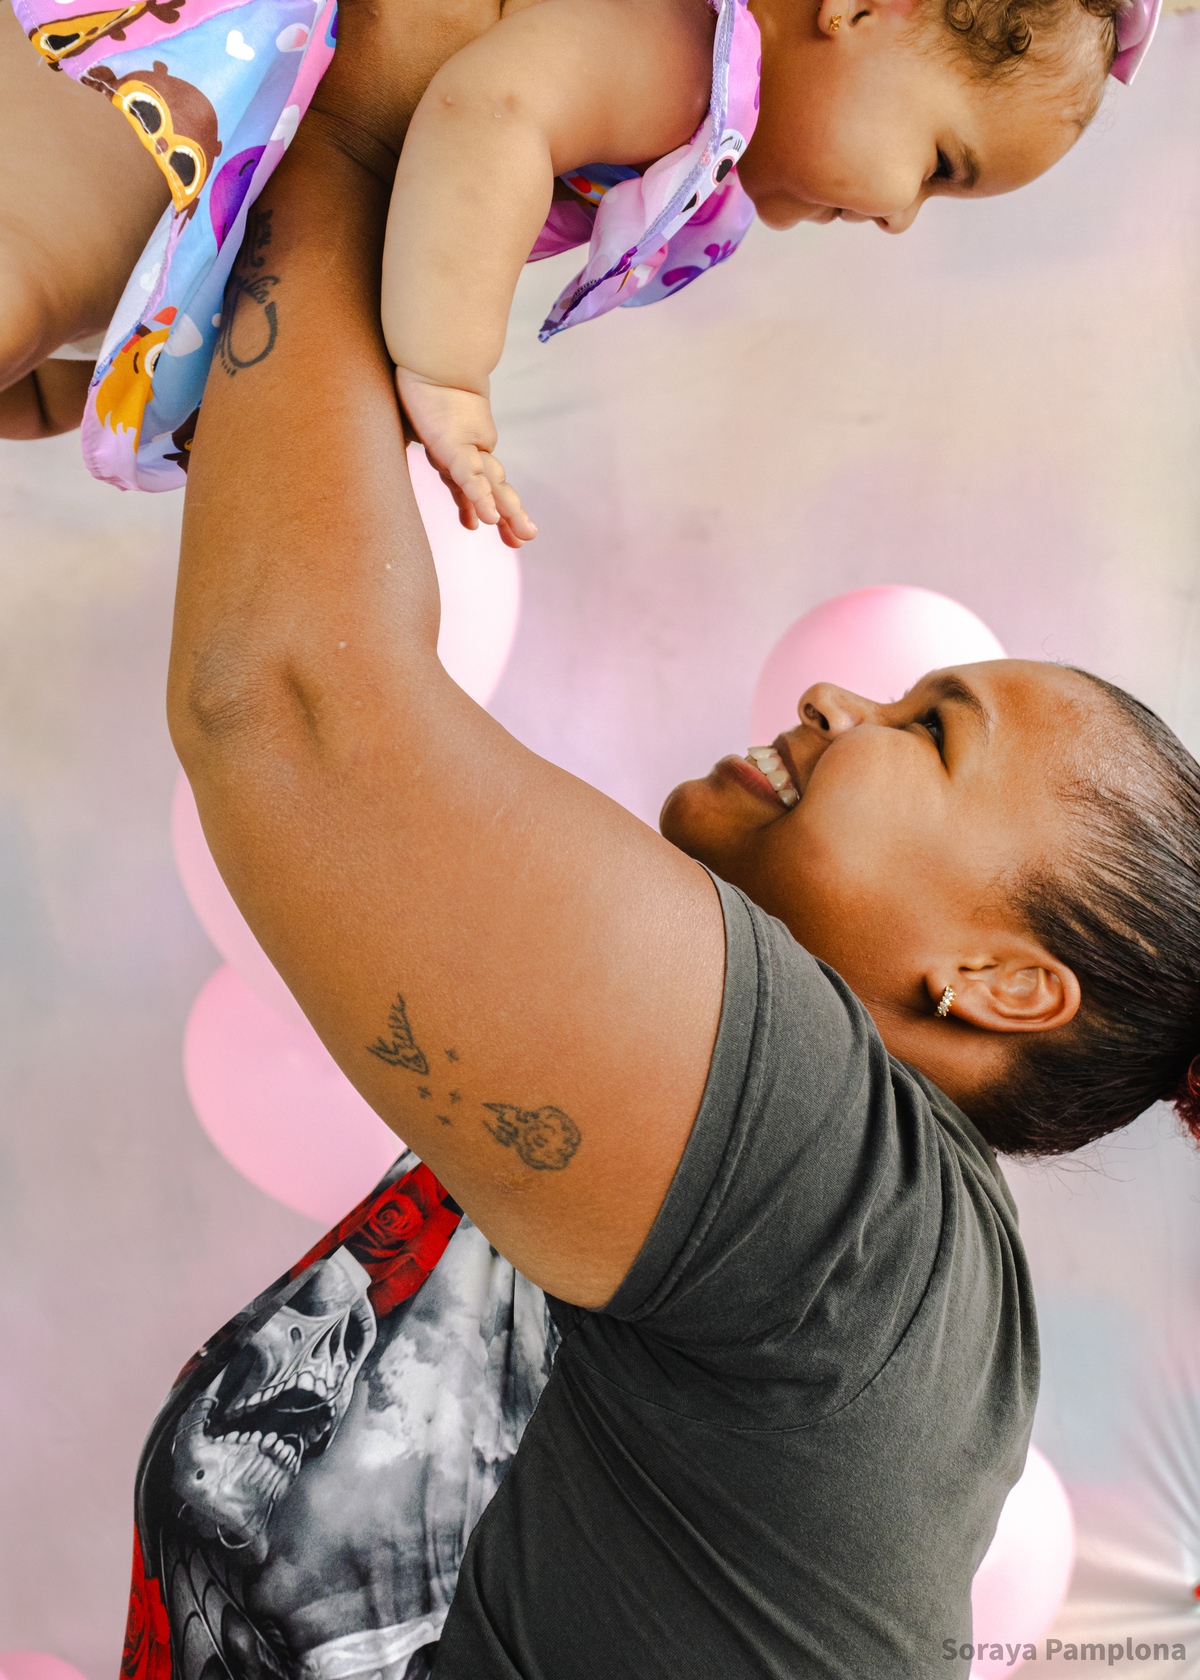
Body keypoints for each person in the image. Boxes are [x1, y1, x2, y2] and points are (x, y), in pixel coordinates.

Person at [119, 6, 1200, 1674]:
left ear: (1000, 980)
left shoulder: (833, 1199)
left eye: (929, 732)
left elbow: (297, 708)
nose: (843, 693)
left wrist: (338, 125)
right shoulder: (739, 1179)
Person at [2, 0, 1158, 506]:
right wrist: (449, 371)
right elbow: (489, 109)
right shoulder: (681, 54)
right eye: (942, 164)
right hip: (200, 102)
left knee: (46, 351)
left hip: (207, 163)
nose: (906, 218)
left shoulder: (699, 108)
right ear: (865, 7)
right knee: (36, 269)